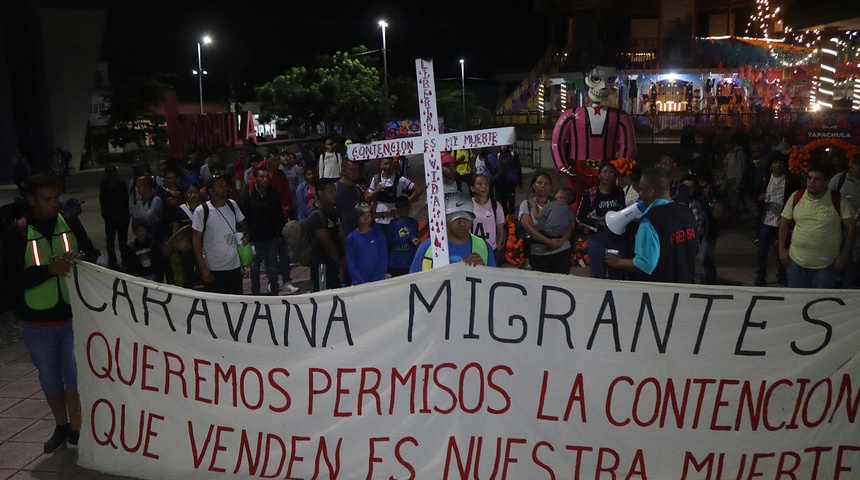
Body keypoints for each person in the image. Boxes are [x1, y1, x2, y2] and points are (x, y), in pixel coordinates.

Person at [0, 173, 83, 452]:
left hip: (73, 316)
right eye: (47, 199)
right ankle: (62, 425)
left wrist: (82, 259)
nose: (54, 204)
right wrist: (47, 271)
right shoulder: (17, 232)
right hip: (37, 322)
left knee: (73, 373)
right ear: (32, 200)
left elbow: (94, 257)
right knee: (49, 375)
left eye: (56, 198)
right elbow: (9, 281)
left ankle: (78, 429)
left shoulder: (69, 222)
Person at [605, 168, 699, 283]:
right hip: (686, 285)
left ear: (650, 191)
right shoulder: (687, 213)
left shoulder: (650, 220)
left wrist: (617, 262)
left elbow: (645, 264)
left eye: (641, 190)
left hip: (661, 290)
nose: (640, 194)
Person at [778, 164, 856, 289]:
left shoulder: (837, 199)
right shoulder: (797, 196)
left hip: (826, 265)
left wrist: (844, 255)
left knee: (821, 303)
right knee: (797, 302)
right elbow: (784, 222)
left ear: (826, 182)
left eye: (817, 179)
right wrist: (781, 249)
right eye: (809, 178)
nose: (811, 182)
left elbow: (851, 227)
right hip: (797, 262)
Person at [410, 192, 497, 272]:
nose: (462, 223)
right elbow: (412, 284)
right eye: (456, 218)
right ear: (446, 218)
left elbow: (495, 283)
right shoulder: (427, 248)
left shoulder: (484, 247)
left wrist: (485, 271)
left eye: (467, 218)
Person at [192, 174, 248, 295]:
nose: (225, 188)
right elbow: (196, 240)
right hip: (213, 268)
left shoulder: (232, 204)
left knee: (236, 303)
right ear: (210, 191)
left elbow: (242, 224)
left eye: (226, 185)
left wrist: (245, 235)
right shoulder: (202, 211)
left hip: (234, 266)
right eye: (220, 186)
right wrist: (203, 268)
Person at [243, 166, 293, 295]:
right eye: (261, 177)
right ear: (255, 178)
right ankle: (255, 292)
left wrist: (279, 233)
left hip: (271, 236)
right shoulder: (249, 196)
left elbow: (278, 215)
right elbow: (246, 217)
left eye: (267, 177)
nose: (265, 179)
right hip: (255, 238)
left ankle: (274, 290)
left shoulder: (273, 194)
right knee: (254, 268)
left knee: (272, 267)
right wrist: (248, 235)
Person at [754, 156, 800, 286]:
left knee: (783, 248)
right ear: (770, 166)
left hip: (783, 221)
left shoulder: (791, 181)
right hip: (767, 220)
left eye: (780, 162)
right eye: (775, 162)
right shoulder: (765, 180)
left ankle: (783, 274)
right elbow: (755, 194)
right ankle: (761, 275)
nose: (778, 165)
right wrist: (760, 198)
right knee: (762, 250)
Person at [577, 161, 626, 279]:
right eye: (604, 172)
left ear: (615, 176)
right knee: (597, 272)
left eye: (611, 173)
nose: (607, 175)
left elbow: (623, 211)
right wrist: (599, 223)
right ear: (599, 175)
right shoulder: (591, 193)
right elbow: (580, 216)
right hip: (597, 236)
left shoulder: (619, 192)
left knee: (616, 273)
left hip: (616, 237)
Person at [518, 172, 575, 274]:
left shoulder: (560, 204)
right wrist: (548, 242)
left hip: (561, 251)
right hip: (538, 254)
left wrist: (562, 241)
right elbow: (529, 227)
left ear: (551, 187)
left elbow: (571, 225)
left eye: (546, 183)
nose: (543, 186)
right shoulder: (527, 204)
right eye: (539, 183)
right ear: (533, 185)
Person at [306, 178, 346, 291]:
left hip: (336, 264)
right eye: (331, 191)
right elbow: (328, 245)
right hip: (321, 266)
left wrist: (343, 260)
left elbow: (342, 235)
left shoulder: (335, 211)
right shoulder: (316, 216)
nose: (334, 194)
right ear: (320, 193)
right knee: (323, 296)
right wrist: (341, 264)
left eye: (335, 190)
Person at [366, 157, 422, 234]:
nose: (388, 167)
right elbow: (368, 199)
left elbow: (418, 190)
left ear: (393, 165)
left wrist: (403, 204)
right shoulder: (376, 179)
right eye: (385, 164)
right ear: (381, 165)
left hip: (395, 220)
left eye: (390, 164)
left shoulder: (400, 179)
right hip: (379, 220)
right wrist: (375, 191)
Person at [345, 202, 388, 285]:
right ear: (356, 218)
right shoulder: (350, 238)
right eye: (362, 216)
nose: (366, 219)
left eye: (368, 215)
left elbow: (383, 259)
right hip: (358, 284)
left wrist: (377, 279)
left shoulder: (379, 235)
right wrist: (360, 281)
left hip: (377, 282)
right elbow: (350, 262)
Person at [99, 165, 130, 270]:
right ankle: (113, 262)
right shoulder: (105, 184)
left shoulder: (120, 184)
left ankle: (125, 261)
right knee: (111, 241)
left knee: (122, 241)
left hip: (121, 217)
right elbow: (103, 200)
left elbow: (125, 200)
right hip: (111, 217)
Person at [470, 174, 506, 264]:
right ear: (472, 188)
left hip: (491, 249)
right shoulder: (468, 205)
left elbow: (500, 229)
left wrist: (497, 247)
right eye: (480, 184)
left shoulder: (496, 206)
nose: (484, 186)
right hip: (472, 249)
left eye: (486, 184)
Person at [387, 196, 420, 277]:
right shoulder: (393, 223)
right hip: (396, 262)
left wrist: (415, 241)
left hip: (408, 260)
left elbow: (415, 237)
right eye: (402, 211)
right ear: (397, 211)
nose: (405, 213)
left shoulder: (414, 222)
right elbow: (390, 240)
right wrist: (408, 238)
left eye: (407, 211)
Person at [487, 144, 523, 215]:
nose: (503, 147)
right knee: (502, 201)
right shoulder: (497, 156)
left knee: (511, 201)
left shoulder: (513, 154)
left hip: (511, 182)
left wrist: (520, 181)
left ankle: (511, 219)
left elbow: (518, 167)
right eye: (502, 146)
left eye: (505, 146)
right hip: (501, 183)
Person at [130, 175, 164, 246]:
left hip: (157, 233)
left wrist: (139, 204)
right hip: (147, 234)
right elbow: (137, 217)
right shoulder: (143, 201)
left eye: (139, 188)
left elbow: (148, 218)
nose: (138, 191)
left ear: (146, 188)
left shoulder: (156, 200)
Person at [336, 160, 367, 236]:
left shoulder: (358, 190)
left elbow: (364, 211)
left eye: (356, 170)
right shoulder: (334, 189)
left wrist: (383, 215)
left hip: (356, 236)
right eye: (351, 169)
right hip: (338, 237)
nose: (354, 172)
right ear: (343, 170)